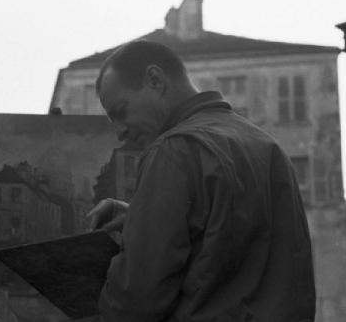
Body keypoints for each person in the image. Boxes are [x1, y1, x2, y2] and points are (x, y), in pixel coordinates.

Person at [88, 40, 315, 322]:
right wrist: (139, 218)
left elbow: (136, 300)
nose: (121, 132)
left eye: (121, 112)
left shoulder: (173, 150)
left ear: (155, 80)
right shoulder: (267, 146)